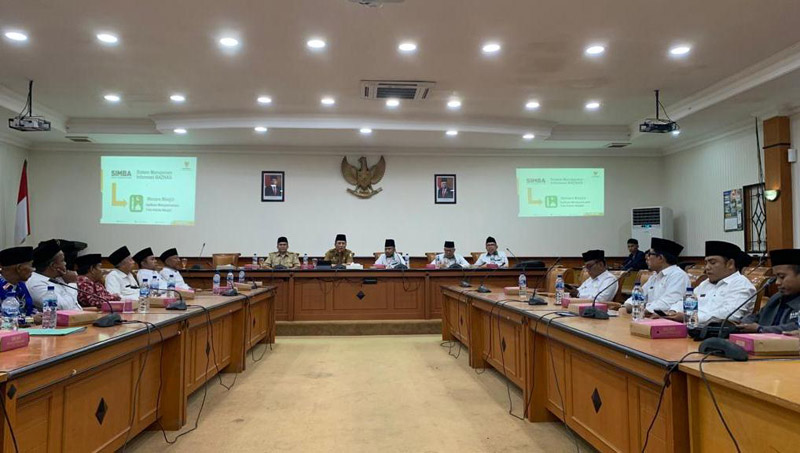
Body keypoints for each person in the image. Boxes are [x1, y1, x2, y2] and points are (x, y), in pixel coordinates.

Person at [664, 241, 756, 325]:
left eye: (712, 263)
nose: (707, 267)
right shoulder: (705, 284)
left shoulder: (741, 285)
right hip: (692, 328)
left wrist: (690, 317)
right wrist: (673, 311)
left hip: (718, 334)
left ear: (730, 264)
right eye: (706, 263)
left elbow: (731, 315)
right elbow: (686, 302)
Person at [622, 237, 690, 315]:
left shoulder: (678, 275)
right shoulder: (655, 276)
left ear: (660, 258)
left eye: (650, 254)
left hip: (665, 319)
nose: (647, 258)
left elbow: (667, 303)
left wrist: (641, 310)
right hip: (647, 315)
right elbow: (640, 295)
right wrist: (625, 306)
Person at [738, 249, 800, 333]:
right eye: (775, 277)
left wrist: (761, 329)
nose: (777, 282)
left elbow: (796, 327)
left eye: (782, 277)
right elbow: (758, 316)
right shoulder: (776, 297)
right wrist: (743, 323)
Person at [27, 239, 82, 310]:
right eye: (62, 261)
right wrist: (71, 283)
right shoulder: (36, 284)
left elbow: (74, 305)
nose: (65, 263)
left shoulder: (58, 278)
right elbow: (63, 308)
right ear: (53, 266)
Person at [0, 246, 37, 316]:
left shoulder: (20, 285)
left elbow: (30, 309)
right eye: (31, 265)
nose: (33, 269)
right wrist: (30, 319)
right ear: (19, 268)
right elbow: (4, 319)